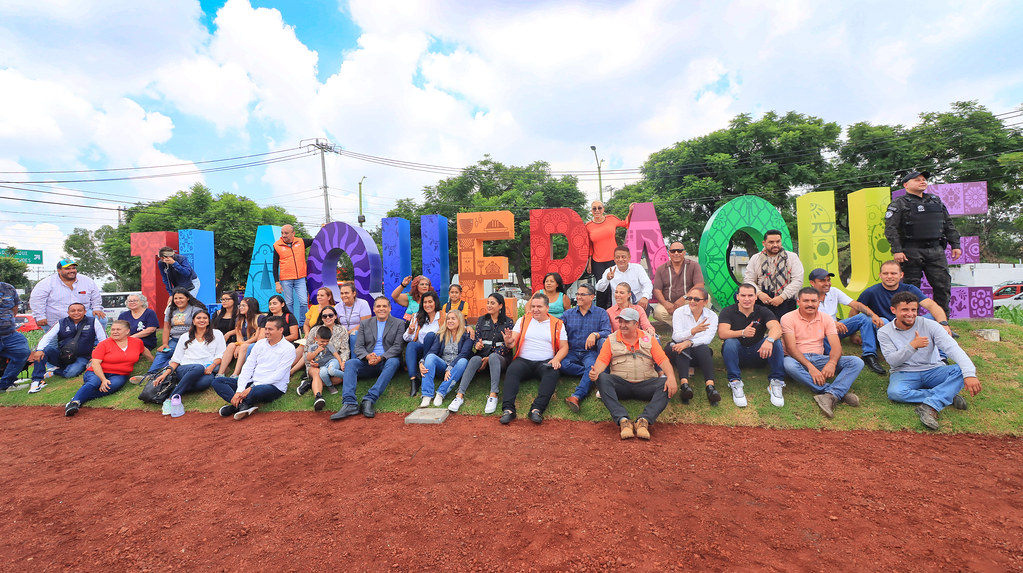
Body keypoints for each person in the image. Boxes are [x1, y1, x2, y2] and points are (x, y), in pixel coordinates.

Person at [877, 292, 981, 430]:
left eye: (913, 310)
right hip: (903, 372)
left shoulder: (930, 325)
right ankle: (946, 395)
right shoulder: (884, 332)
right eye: (905, 310)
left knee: (961, 369)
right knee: (895, 393)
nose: (910, 314)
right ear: (893, 310)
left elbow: (952, 348)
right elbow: (892, 361)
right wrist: (912, 346)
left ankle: (931, 405)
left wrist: (969, 374)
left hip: (934, 369)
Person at [592, 307, 678, 440]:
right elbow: (601, 361)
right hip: (621, 385)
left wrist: (671, 377)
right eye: (620, 322)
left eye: (626, 322)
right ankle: (623, 420)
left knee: (665, 383)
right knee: (602, 378)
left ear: (636, 324)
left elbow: (663, 360)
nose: (622, 325)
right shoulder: (611, 339)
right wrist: (595, 372)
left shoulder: (649, 339)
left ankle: (644, 420)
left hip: (646, 384)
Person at [884, 170, 961, 316]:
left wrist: (955, 245)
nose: (922, 181)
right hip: (911, 251)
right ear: (906, 185)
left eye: (924, 179)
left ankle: (942, 323)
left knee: (942, 286)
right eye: (917, 179)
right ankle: (912, 323)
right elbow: (891, 229)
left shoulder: (935, 201)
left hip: (936, 250)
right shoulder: (899, 204)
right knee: (910, 290)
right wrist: (897, 250)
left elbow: (948, 224)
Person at [780, 287, 864, 418]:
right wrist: (811, 368)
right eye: (806, 301)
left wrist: (831, 362)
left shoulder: (826, 318)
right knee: (788, 364)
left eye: (814, 301)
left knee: (856, 362)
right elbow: (791, 348)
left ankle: (830, 396)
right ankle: (832, 392)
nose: (810, 304)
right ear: (798, 302)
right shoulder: (787, 318)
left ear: (819, 302)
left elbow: (836, 345)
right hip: (797, 360)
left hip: (819, 358)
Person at [498, 293, 569, 425]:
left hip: (545, 361)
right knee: (512, 370)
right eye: (533, 306)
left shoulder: (557, 324)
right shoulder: (523, 320)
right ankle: (508, 409)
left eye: (539, 306)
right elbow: (512, 343)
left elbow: (564, 347)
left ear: (547, 308)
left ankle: (537, 409)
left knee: (553, 373)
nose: (535, 309)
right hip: (523, 360)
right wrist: (508, 341)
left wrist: (556, 359)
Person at [330, 296, 405, 420]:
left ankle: (369, 399)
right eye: (378, 306)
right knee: (350, 363)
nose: (381, 309)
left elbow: (397, 347)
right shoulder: (365, 323)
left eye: (384, 306)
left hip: (386, 362)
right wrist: (367, 356)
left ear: (390, 308)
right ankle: (349, 403)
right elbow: (358, 347)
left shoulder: (399, 323)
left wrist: (381, 357)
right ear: (374, 309)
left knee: (393, 361)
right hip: (367, 362)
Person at [63, 320, 154, 417]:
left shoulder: (136, 342)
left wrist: (155, 363)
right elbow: (96, 363)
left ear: (127, 331)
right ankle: (74, 403)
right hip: (96, 372)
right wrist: (103, 379)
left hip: (120, 374)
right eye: (113, 329)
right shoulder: (103, 344)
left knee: (111, 387)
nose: (115, 332)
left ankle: (82, 396)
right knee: (94, 382)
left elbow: (145, 351)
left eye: (118, 329)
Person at [717, 283, 786, 408]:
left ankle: (776, 382)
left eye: (750, 295)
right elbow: (722, 333)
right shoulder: (728, 311)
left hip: (759, 353)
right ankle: (735, 382)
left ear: (756, 297)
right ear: (737, 296)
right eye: (743, 295)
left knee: (775, 341)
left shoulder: (763, 311)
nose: (746, 299)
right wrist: (742, 333)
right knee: (730, 341)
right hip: (737, 355)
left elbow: (777, 328)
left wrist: (769, 340)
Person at [807, 268, 887, 375]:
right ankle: (837, 361)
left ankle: (869, 355)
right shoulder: (806, 296)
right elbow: (808, 320)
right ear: (812, 283)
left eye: (828, 280)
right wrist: (831, 324)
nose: (827, 283)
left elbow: (856, 305)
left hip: (838, 328)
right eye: (822, 281)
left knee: (864, 317)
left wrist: (873, 315)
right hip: (820, 331)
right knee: (824, 335)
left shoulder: (834, 291)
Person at [453, 293, 514, 415]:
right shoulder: (481, 320)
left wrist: (489, 358)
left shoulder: (508, 322)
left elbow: (507, 346)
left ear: (500, 306)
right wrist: (477, 345)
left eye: (493, 303)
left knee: (493, 357)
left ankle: (493, 395)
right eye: (488, 303)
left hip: (501, 359)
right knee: (475, 359)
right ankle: (459, 396)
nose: (489, 305)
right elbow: (477, 339)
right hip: (482, 357)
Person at [855, 261, 954, 335]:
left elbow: (931, 305)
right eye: (885, 273)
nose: (889, 276)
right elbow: (855, 309)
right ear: (880, 275)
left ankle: (942, 358)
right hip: (886, 330)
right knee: (881, 320)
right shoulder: (870, 292)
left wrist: (943, 324)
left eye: (893, 273)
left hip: (909, 325)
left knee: (932, 317)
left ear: (901, 275)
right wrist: (853, 335)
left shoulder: (910, 289)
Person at [28, 302, 106, 392]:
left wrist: (97, 357)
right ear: (68, 312)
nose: (76, 313)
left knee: (70, 373)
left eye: (79, 310)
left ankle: (55, 371)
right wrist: (39, 349)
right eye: (73, 311)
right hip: (63, 355)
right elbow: (47, 336)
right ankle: (37, 380)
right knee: (44, 350)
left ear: (84, 312)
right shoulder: (61, 322)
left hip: (82, 357)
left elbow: (103, 340)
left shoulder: (93, 321)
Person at [151, 310, 226, 402]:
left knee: (205, 383)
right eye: (198, 318)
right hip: (186, 368)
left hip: (208, 369)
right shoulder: (185, 336)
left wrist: (212, 366)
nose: (202, 320)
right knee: (198, 368)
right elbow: (176, 359)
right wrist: (165, 374)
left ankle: (177, 386)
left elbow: (221, 354)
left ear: (209, 321)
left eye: (205, 318)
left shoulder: (217, 334)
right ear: (193, 321)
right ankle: (173, 397)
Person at [561, 283, 613, 412]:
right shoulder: (568, 314)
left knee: (592, 366)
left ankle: (576, 396)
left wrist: (596, 334)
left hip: (590, 352)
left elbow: (608, 332)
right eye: (577, 294)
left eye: (582, 294)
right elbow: (557, 330)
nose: (578, 297)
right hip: (571, 351)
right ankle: (590, 375)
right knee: (562, 365)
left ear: (592, 297)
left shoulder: (601, 313)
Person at [664, 287, 720, 406]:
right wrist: (693, 331)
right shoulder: (679, 312)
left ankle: (710, 387)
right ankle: (684, 385)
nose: (692, 301)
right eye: (689, 298)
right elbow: (677, 336)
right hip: (678, 351)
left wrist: (689, 342)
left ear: (705, 302)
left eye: (696, 299)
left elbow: (708, 339)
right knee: (680, 348)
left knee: (704, 349)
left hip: (699, 354)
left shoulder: (712, 316)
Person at [137, 288, 207, 378]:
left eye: (181, 298)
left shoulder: (195, 309)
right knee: (163, 353)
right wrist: (165, 344)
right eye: (176, 298)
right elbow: (166, 327)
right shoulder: (171, 309)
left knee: (178, 356)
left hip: (191, 338)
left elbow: (196, 325)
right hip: (174, 339)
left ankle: (163, 373)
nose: (178, 300)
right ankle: (150, 374)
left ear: (188, 298)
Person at [29, 259, 105, 332]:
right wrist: (40, 317)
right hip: (56, 319)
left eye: (74, 268)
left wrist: (97, 308)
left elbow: (96, 297)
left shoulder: (87, 281)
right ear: (59, 271)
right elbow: (37, 301)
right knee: (52, 344)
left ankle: (97, 344)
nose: (72, 271)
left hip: (82, 317)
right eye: (67, 269)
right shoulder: (46, 283)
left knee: (101, 319)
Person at [743, 230, 804, 320]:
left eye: (778, 241)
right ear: (764, 243)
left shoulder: (792, 257)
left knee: (784, 328)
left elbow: (798, 280)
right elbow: (748, 280)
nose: (775, 245)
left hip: (786, 299)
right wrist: (759, 294)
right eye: (771, 242)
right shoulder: (756, 258)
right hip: (762, 299)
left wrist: (782, 297)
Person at [419, 310, 473, 408]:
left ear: (460, 320)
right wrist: (422, 362)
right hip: (443, 366)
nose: (450, 321)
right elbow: (432, 351)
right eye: (448, 319)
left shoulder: (467, 334)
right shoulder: (442, 334)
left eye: (453, 318)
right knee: (430, 357)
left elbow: (465, 353)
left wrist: (451, 367)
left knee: (463, 361)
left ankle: (441, 393)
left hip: (457, 368)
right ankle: (427, 395)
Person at [586, 201, 634, 308]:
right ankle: (601, 312)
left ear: (603, 209)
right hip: (597, 262)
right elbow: (589, 246)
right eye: (594, 209)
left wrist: (630, 212)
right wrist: (589, 263)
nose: (597, 210)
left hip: (613, 260)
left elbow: (626, 224)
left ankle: (619, 309)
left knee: (616, 286)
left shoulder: (611, 219)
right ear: (591, 211)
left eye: (599, 208)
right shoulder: (588, 226)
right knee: (602, 287)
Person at [295, 305, 349, 396]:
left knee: (339, 378)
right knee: (319, 373)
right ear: (321, 318)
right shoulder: (315, 330)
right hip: (317, 364)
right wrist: (312, 362)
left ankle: (309, 384)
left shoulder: (342, 330)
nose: (328, 317)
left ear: (335, 316)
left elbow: (345, 349)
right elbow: (307, 349)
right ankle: (318, 396)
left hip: (334, 363)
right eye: (324, 316)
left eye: (330, 315)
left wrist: (343, 361)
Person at [651, 242, 704, 325]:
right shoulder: (661, 269)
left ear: (684, 252)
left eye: (679, 251)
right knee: (658, 313)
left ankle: (685, 326)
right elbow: (657, 290)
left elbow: (699, 285)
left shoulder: (694, 266)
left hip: (688, 301)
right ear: (669, 253)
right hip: (669, 303)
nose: (676, 253)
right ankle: (684, 326)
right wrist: (665, 304)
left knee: (705, 298)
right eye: (673, 251)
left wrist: (684, 298)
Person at [403, 291, 441, 397]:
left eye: (430, 302)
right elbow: (406, 338)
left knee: (430, 336)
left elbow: (457, 325)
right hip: (421, 349)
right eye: (425, 302)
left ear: (435, 302)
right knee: (411, 345)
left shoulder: (442, 316)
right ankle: (414, 380)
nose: (427, 305)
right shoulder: (417, 316)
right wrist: (410, 331)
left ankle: (423, 365)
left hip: (436, 351)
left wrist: (469, 327)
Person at [273, 224, 309, 327]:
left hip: (300, 278)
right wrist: (277, 282)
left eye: (286, 233)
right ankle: (291, 325)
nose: (284, 235)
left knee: (303, 302)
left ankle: (302, 325)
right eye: (282, 233)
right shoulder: (277, 245)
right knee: (289, 303)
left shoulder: (301, 242)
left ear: (293, 233)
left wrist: (323, 228)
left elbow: (316, 240)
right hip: (286, 279)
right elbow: (274, 265)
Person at [596, 246, 653, 311]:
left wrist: (645, 297)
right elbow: (599, 288)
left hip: (637, 304)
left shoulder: (638, 268)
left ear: (629, 258)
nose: (620, 260)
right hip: (619, 306)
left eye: (623, 257)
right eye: (617, 257)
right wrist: (607, 279)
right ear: (614, 259)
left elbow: (647, 284)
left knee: (646, 306)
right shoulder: (609, 271)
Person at [302, 326, 346, 412]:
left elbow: (336, 355)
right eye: (322, 341)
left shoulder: (329, 345)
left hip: (332, 362)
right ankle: (330, 386)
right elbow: (308, 357)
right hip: (322, 366)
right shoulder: (312, 347)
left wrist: (341, 363)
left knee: (331, 371)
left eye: (327, 341)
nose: (325, 343)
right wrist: (317, 351)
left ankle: (347, 376)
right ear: (316, 339)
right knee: (322, 373)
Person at [217, 297, 261, 378]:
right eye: (240, 306)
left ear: (251, 306)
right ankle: (220, 373)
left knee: (243, 346)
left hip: (254, 342)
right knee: (231, 345)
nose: (241, 308)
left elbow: (256, 337)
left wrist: (241, 345)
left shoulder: (260, 318)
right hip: (243, 342)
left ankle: (236, 374)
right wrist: (239, 344)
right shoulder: (239, 319)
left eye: (244, 306)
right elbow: (239, 334)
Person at [0, 281, 31, 392]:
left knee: (22, 352)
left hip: (10, 333)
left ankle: (4, 385)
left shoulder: (8, 288)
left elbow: (15, 308)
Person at [335, 283, 371, 351]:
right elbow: (336, 324)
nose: (344, 295)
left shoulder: (363, 304)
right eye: (342, 293)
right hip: (342, 334)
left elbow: (365, 324)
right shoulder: (338, 306)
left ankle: (354, 359)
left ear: (354, 293)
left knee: (354, 335)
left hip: (359, 333)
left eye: (346, 293)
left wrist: (347, 334)